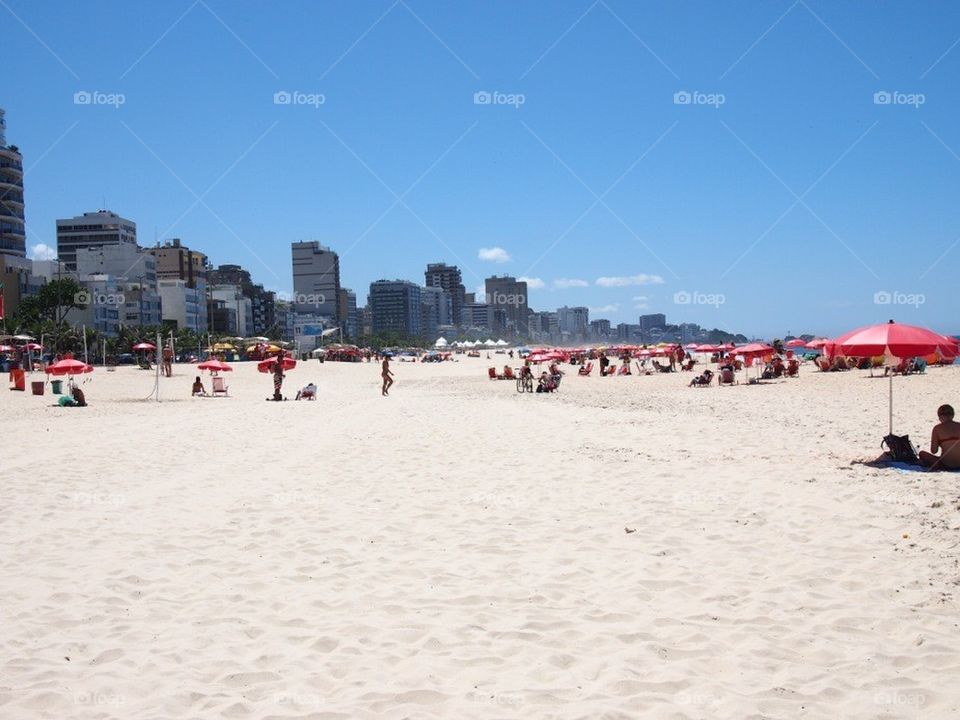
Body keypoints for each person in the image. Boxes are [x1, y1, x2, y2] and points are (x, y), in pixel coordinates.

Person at [919, 404, 960, 470]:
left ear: (940, 416)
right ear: (952, 415)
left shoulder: (937, 428)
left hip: (946, 464)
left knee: (922, 453)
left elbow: (934, 451)